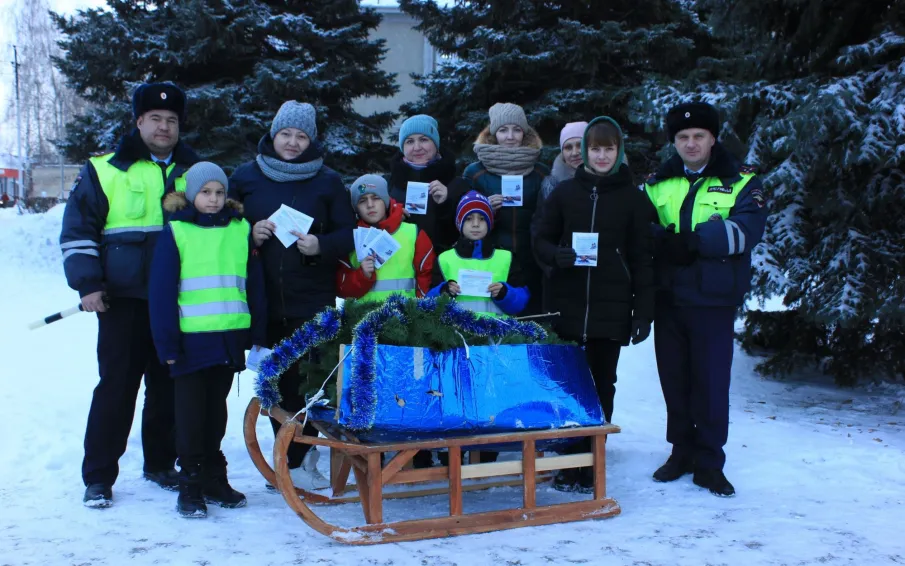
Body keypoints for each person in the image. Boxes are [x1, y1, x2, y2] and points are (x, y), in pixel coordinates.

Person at [60, 82, 198, 508]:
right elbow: (78, 231)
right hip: (122, 301)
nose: (164, 126)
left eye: (171, 120)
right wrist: (88, 284)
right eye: (155, 119)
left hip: (177, 301)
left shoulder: (197, 172)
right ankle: (99, 476)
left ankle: (160, 464)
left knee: (168, 388)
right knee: (116, 388)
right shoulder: (104, 170)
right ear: (138, 122)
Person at [228, 101, 355, 491]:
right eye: (286, 134)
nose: (293, 142)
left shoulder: (328, 182)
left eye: (301, 136)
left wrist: (320, 245)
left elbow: (347, 235)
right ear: (273, 133)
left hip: (310, 297)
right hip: (262, 297)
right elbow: (220, 226)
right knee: (274, 381)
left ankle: (301, 459)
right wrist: (249, 233)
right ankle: (286, 456)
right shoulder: (246, 177)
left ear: (311, 140)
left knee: (308, 379)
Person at [644, 101, 768, 497]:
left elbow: (746, 230)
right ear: (674, 142)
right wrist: (660, 240)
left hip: (713, 300)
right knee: (674, 380)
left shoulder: (742, 181)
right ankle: (681, 452)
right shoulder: (656, 183)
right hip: (669, 298)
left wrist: (694, 242)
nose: (691, 143)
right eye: (683, 137)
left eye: (699, 136)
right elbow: (641, 226)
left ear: (713, 138)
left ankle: (711, 461)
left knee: (711, 383)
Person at [534, 117, 655, 493]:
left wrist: (642, 312)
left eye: (609, 149)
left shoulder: (634, 199)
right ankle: (570, 461)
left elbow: (642, 258)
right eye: (595, 148)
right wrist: (558, 255)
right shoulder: (565, 194)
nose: (601, 156)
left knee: (603, 383)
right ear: (583, 152)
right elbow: (540, 238)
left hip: (611, 308)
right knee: (568, 385)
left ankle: (593, 461)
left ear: (619, 153)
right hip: (567, 307)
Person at [149, 162, 267, 517]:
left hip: (228, 340)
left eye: (219, 192)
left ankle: (214, 477)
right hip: (189, 343)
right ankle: (191, 483)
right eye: (205, 192)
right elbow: (162, 292)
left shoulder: (239, 230)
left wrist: (257, 334)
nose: (213, 199)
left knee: (216, 412)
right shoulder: (177, 233)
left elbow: (254, 285)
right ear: (190, 195)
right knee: (189, 415)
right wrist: (167, 345)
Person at [463, 102, 549, 316]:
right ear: (493, 134)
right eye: (503, 130)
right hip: (491, 259)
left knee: (533, 321)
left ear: (524, 133)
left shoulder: (540, 171)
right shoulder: (475, 172)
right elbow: (462, 217)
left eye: (516, 129)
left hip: (532, 260)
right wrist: (484, 208)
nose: (510, 136)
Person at [428, 191, 529, 317]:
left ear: (489, 223)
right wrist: (443, 292)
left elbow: (521, 302)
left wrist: (505, 293)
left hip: (498, 333)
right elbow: (429, 304)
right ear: (460, 223)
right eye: (469, 219)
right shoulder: (444, 259)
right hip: (455, 334)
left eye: (482, 219)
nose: (475, 224)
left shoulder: (506, 258)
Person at [337, 174, 434, 301]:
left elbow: (426, 276)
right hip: (364, 317)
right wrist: (362, 275)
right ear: (356, 209)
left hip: (406, 315)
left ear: (386, 201)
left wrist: (420, 309)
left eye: (376, 198)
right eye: (362, 201)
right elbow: (342, 290)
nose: (370, 205)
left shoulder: (414, 233)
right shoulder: (349, 238)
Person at [386, 114, 467, 255]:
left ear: (436, 144)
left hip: (441, 266)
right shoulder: (388, 184)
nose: (417, 147)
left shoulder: (457, 184)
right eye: (409, 141)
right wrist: (390, 218)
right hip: (400, 267)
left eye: (424, 140)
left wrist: (446, 204)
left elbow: (467, 232)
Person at [539, 121, 587, 202]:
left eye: (580, 145)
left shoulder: (606, 179)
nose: (574, 153)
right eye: (568, 147)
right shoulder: (552, 186)